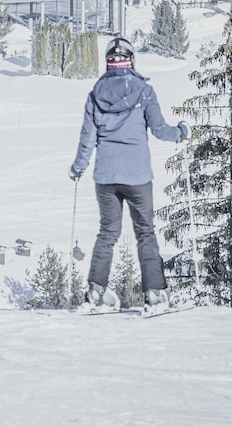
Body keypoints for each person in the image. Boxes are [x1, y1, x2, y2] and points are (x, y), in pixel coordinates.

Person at [69, 37, 189, 310]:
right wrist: (181, 133)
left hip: (106, 177)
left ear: (108, 62)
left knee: (107, 233)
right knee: (145, 233)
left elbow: (87, 139)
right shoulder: (144, 92)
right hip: (137, 176)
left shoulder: (95, 95)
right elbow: (159, 129)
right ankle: (155, 294)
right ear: (131, 61)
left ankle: (96, 293)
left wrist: (77, 169)